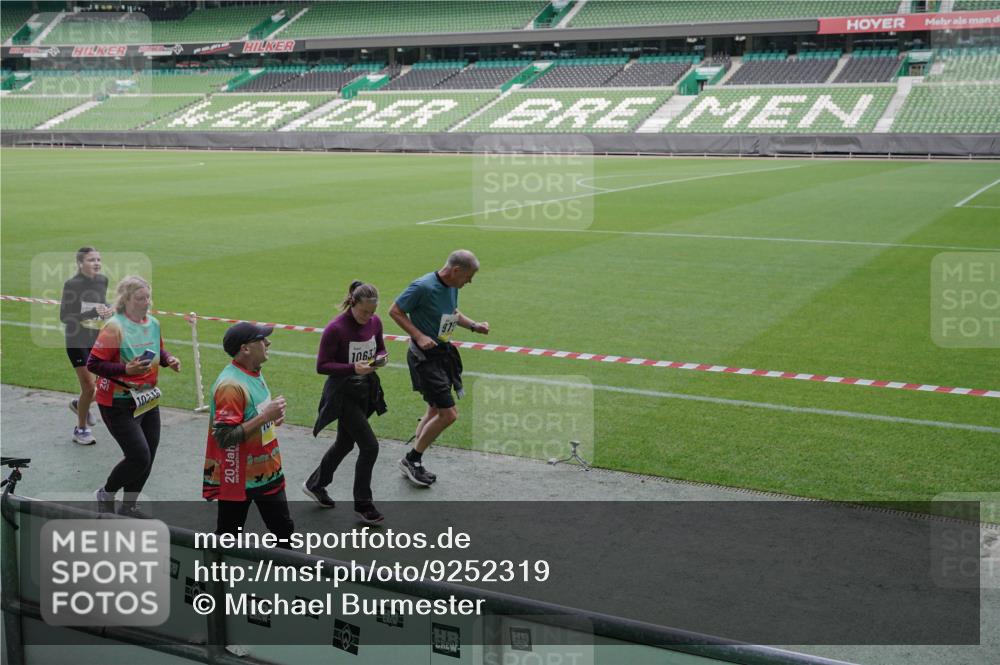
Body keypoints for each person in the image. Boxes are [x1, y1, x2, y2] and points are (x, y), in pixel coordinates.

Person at [389, 250, 489, 487]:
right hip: (424, 358)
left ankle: (413, 457)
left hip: (442, 354)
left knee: (434, 411)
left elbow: (452, 313)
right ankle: (412, 459)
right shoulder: (423, 286)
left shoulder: (451, 286)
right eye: (469, 277)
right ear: (456, 271)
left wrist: (474, 326)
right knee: (449, 414)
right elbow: (395, 310)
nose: (469, 282)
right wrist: (419, 335)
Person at [88, 275, 180, 516]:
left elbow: (156, 347)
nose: (146, 302)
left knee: (149, 455)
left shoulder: (154, 323)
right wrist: (125, 369)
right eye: (140, 298)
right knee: (139, 456)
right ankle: (106, 493)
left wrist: (168, 359)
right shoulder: (114, 327)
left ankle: (129, 505)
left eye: (148, 297)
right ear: (126, 300)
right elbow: (94, 364)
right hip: (117, 403)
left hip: (148, 400)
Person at [306, 281, 388, 525]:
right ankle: (363, 504)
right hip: (342, 394)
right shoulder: (336, 328)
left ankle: (315, 484)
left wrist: (381, 358)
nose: (368, 317)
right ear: (353, 304)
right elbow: (322, 366)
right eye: (364, 312)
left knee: (344, 443)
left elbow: (381, 348)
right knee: (370, 447)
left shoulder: (375, 322)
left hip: (364, 391)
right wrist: (353, 368)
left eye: (372, 312)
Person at [203, 322, 293, 542]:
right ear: (245, 348)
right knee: (229, 536)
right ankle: (213, 576)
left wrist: (272, 418)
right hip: (240, 476)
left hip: (266, 470)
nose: (268, 342)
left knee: (283, 530)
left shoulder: (252, 372)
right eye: (262, 339)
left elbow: (252, 416)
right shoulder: (231, 386)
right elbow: (224, 437)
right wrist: (265, 417)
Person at [60, 246, 111, 445]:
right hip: (76, 340)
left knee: (101, 385)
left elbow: (100, 303)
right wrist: (91, 313)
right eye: (91, 260)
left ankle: (79, 403)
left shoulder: (102, 280)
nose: (96, 263)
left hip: (96, 339)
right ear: (80, 264)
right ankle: (80, 429)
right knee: (89, 387)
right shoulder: (72, 285)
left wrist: (106, 310)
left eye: (98, 259)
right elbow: (65, 317)